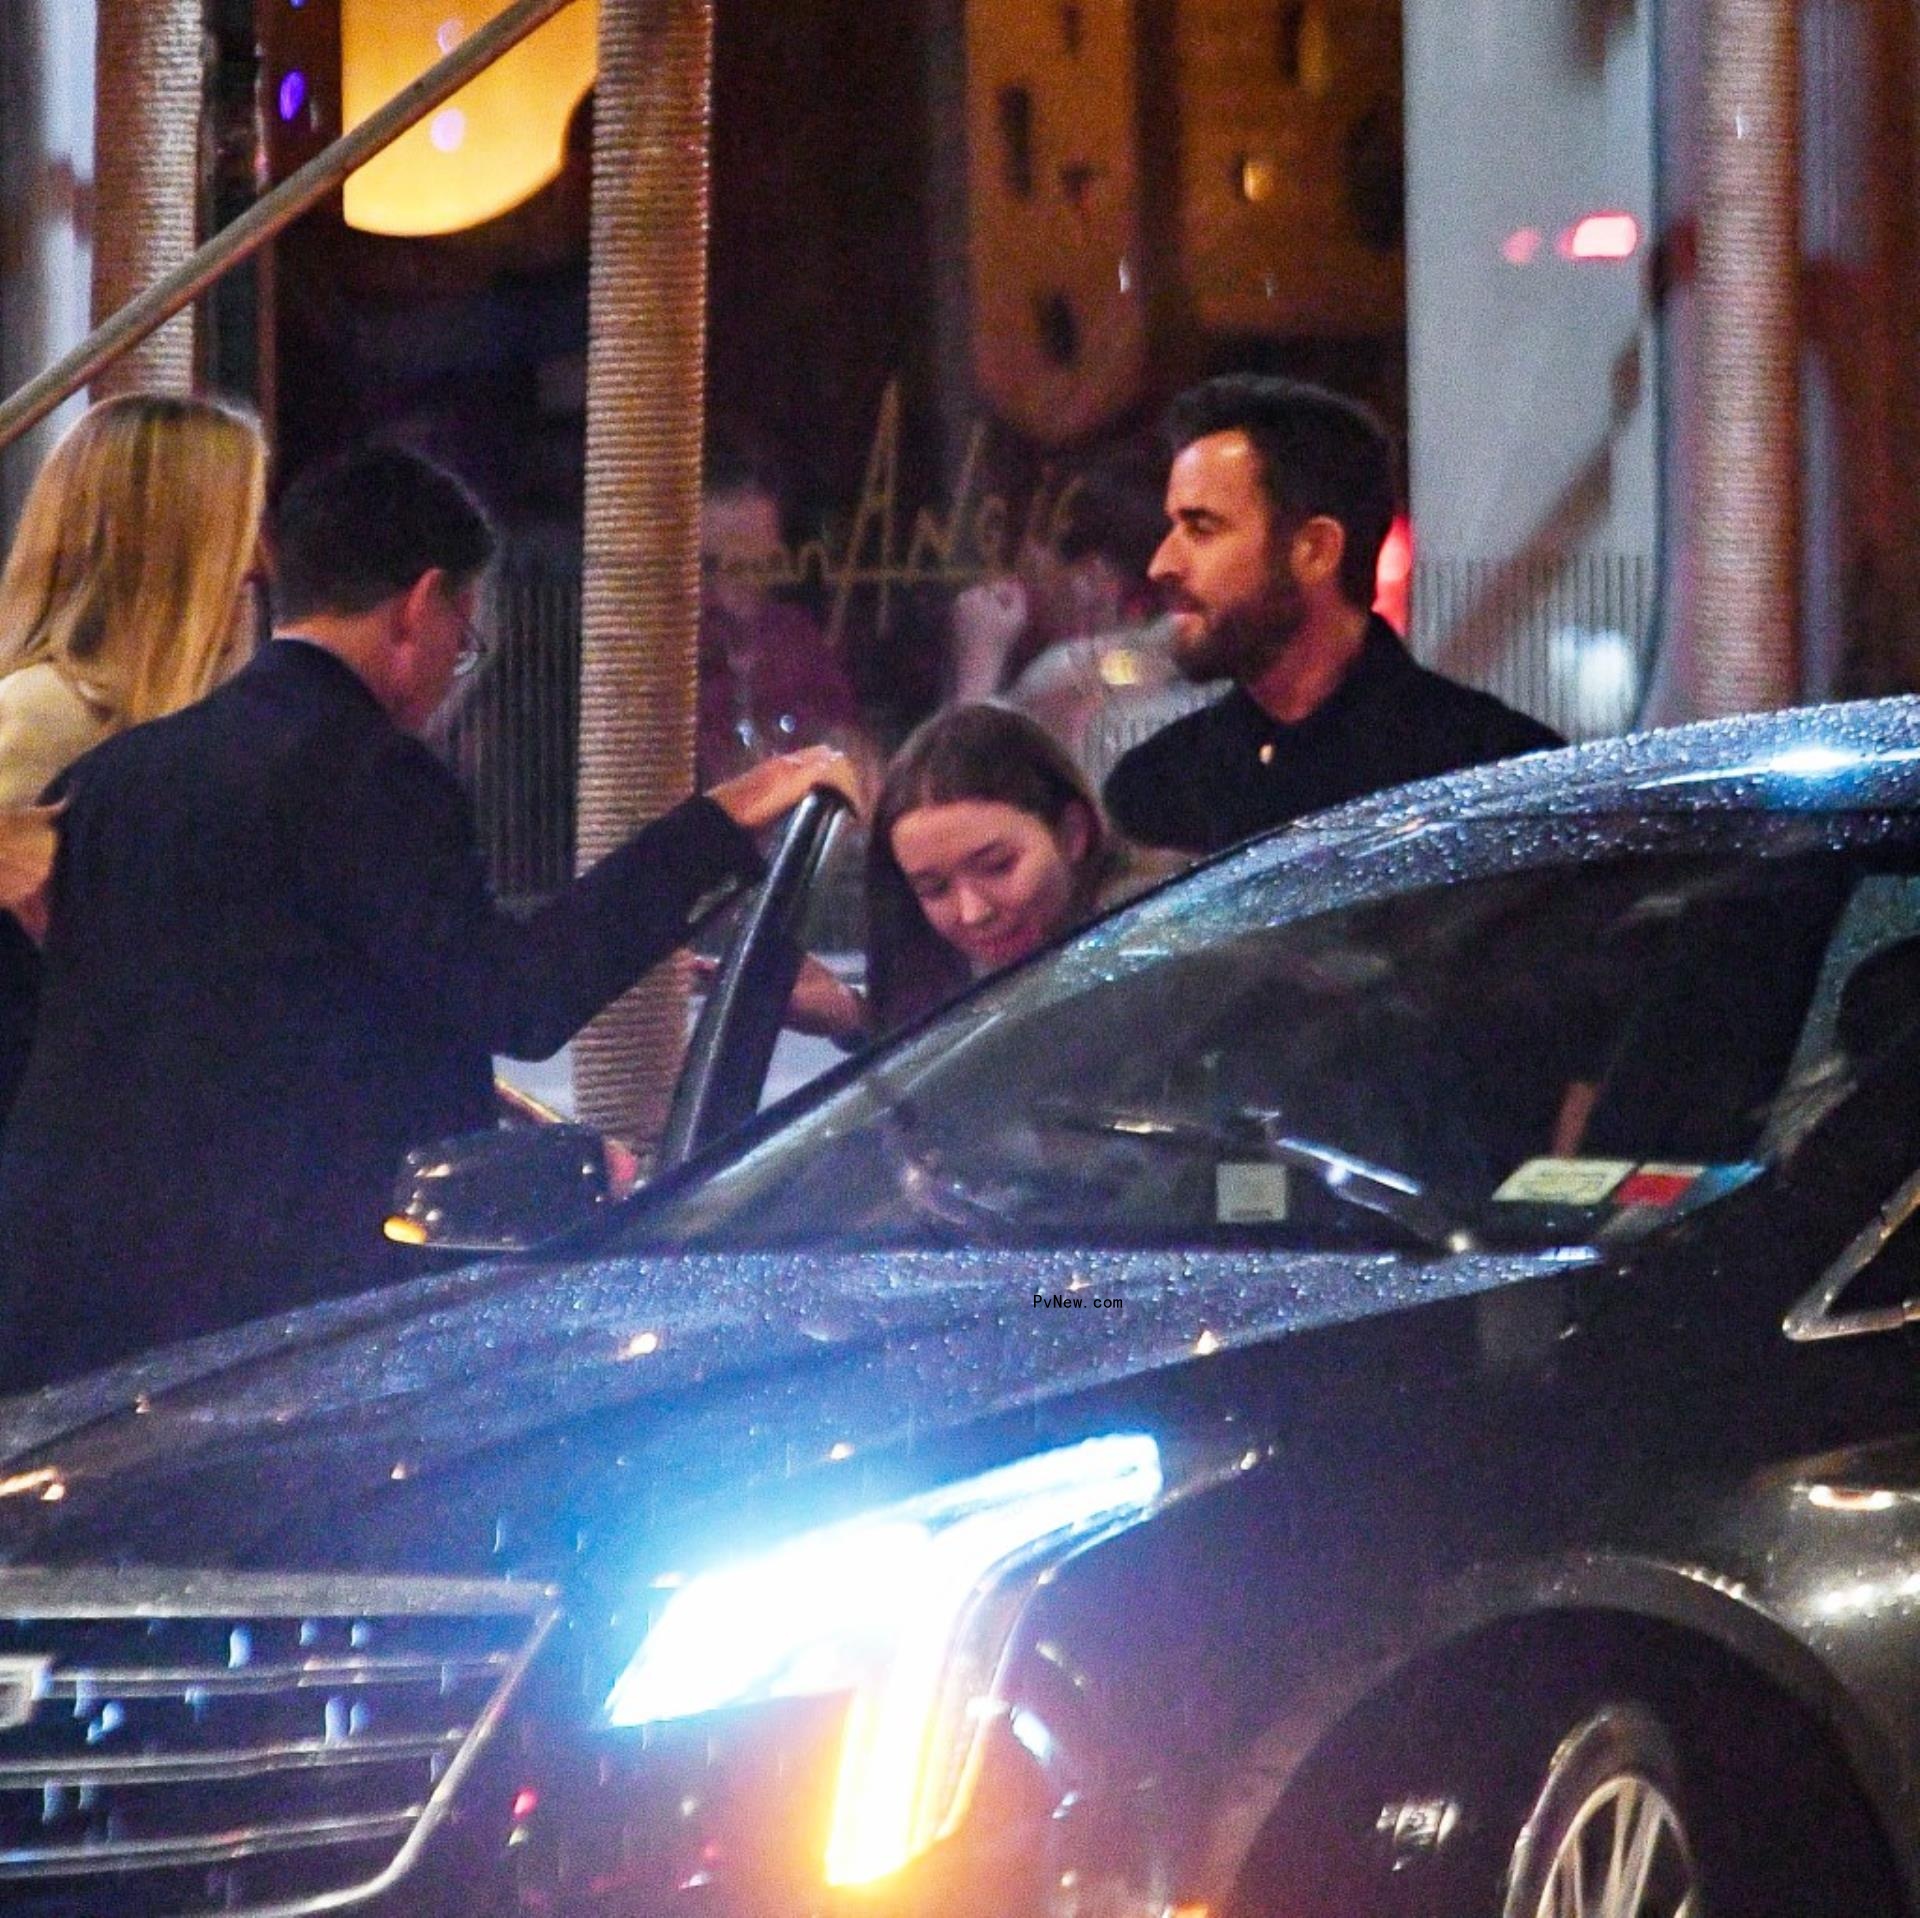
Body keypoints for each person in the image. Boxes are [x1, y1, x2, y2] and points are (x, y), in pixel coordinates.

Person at [0, 443, 858, 1390]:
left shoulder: (112, 778)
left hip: (74, 1301)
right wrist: (717, 825)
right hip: (279, 1326)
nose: (460, 665)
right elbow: (515, 997)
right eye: (466, 635)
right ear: (423, 604)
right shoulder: (370, 772)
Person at [1102, 375, 1562, 855]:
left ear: (1316, 550)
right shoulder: (1156, 793)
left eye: (1201, 528)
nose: (1161, 564)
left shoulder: (1494, 779)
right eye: (1172, 525)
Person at [0, 393, 270, 1125]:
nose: (257, 566)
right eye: (240, 530)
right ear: (178, 549)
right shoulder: (39, 718)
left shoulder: (165, 717)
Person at [787, 703, 1128, 1046]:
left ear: (1073, 834)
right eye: (934, 889)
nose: (973, 912)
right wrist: (858, 1018)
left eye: (998, 866)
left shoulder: (1159, 956)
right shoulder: (958, 982)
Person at [697, 440, 864, 787]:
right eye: (714, 568)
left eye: (762, 566)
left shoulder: (796, 644)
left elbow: (857, 768)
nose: (734, 596)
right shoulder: (655, 669)